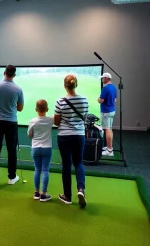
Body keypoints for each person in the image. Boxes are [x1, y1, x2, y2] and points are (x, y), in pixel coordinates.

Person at [54, 75, 88, 207]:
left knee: (66, 165)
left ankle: (67, 196)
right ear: (76, 85)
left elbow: (56, 122)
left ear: (65, 85)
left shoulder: (60, 101)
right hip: (79, 135)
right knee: (78, 162)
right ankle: (81, 189)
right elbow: (84, 118)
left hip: (64, 136)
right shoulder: (84, 100)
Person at [0, 65, 24, 185]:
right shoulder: (18, 89)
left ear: (4, 73)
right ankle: (12, 177)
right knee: (11, 150)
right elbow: (20, 108)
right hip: (11, 123)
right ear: (14, 75)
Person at [28, 99, 54, 202]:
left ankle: (36, 192)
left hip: (35, 147)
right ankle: (43, 194)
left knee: (37, 170)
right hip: (47, 148)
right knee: (45, 170)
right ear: (47, 109)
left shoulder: (32, 121)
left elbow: (30, 135)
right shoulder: (50, 119)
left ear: (35, 109)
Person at [97, 72, 117, 157]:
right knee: (110, 129)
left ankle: (109, 150)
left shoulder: (105, 89)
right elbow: (115, 100)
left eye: (103, 78)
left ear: (106, 78)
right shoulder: (114, 87)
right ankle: (109, 147)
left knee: (107, 129)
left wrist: (98, 99)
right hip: (112, 110)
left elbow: (100, 100)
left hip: (106, 112)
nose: (102, 80)